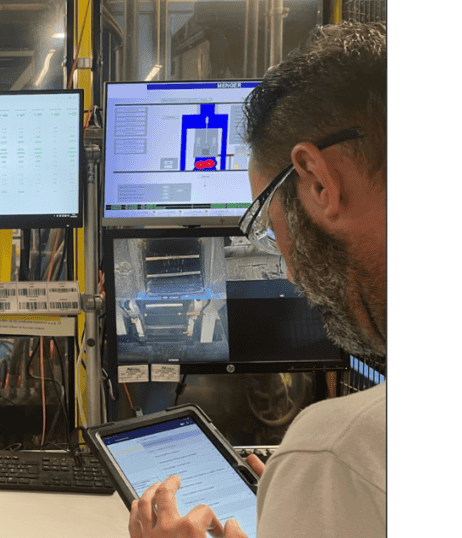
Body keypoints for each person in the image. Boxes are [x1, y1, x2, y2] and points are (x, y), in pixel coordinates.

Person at [127, 21, 386, 538]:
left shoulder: (340, 452)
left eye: (266, 219)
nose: (288, 268)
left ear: (318, 181)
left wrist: (314, 479)